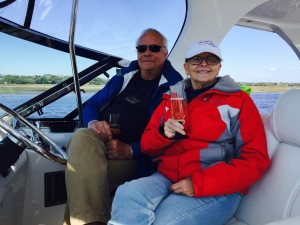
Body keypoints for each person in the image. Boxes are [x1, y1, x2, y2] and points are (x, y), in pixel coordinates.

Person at [108, 40, 271, 225]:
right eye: (196, 60)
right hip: (166, 177)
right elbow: (146, 145)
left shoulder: (239, 101)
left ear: (219, 67)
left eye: (211, 60)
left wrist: (199, 184)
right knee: (126, 194)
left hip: (216, 187)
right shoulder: (171, 98)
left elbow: (255, 160)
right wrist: (163, 134)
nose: (203, 64)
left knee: (164, 221)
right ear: (186, 67)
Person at [63, 28, 183, 225]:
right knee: (82, 135)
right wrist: (95, 123)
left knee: (78, 177)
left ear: (165, 53)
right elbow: (91, 105)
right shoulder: (124, 76)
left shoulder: (175, 87)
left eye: (154, 48)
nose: (147, 53)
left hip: (137, 157)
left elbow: (171, 134)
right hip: (102, 142)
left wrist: (131, 149)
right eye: (141, 48)